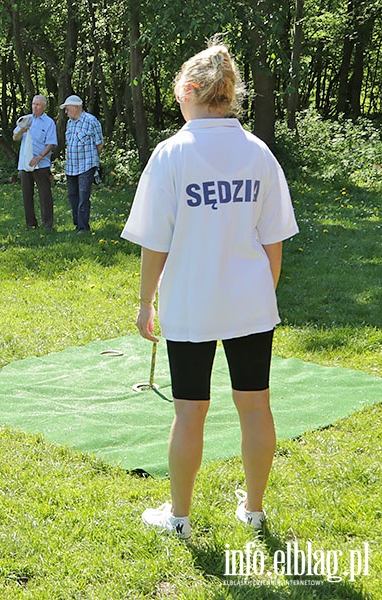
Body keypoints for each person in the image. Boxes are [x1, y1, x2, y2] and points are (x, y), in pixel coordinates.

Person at [121, 42, 299, 540]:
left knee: (188, 410)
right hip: (249, 303)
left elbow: (155, 243)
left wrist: (145, 302)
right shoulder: (258, 151)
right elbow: (273, 241)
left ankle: (178, 517)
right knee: (256, 404)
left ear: (191, 90)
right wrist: (261, 295)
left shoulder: (172, 153)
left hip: (192, 304)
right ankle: (255, 510)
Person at [12, 95, 57, 229]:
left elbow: (51, 143)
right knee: (27, 194)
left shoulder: (49, 123)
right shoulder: (25, 119)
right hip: (25, 163)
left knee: (45, 195)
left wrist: (39, 157)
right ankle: (30, 223)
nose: (34, 107)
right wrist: (22, 129)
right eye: (33, 104)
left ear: (44, 107)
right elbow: (15, 137)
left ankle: (47, 224)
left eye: (37, 105)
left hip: (41, 164)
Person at [60, 94, 103, 232]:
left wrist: (93, 160)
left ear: (76, 107)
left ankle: (83, 228)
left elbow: (99, 143)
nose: (66, 112)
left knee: (83, 195)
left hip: (87, 164)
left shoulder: (91, 121)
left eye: (67, 109)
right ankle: (77, 223)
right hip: (71, 166)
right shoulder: (70, 123)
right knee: (72, 195)